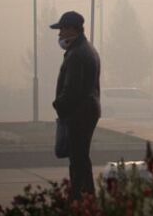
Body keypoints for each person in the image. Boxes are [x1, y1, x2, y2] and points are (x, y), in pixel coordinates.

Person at [50, 11, 101, 200]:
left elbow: (72, 89)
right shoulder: (85, 49)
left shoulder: (77, 54)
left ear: (72, 29)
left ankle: (79, 199)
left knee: (78, 159)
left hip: (80, 113)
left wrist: (58, 105)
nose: (59, 34)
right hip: (87, 110)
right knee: (81, 158)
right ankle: (87, 197)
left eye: (62, 29)